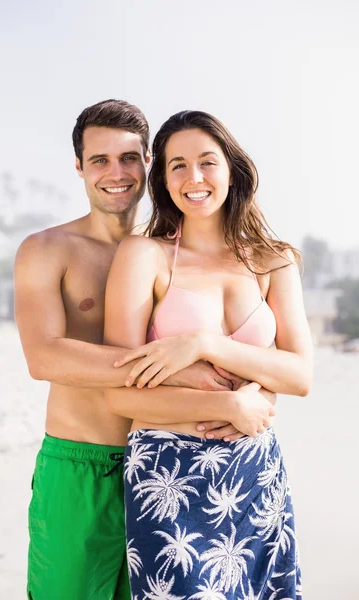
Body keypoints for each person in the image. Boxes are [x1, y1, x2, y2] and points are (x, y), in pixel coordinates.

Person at [15, 99, 259, 600]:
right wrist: (180, 372)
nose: (116, 173)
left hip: (168, 466)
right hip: (81, 464)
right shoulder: (47, 249)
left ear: (150, 163)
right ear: (79, 167)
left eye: (129, 158)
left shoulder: (173, 255)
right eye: (99, 160)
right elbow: (44, 357)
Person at [104, 110, 313, 599]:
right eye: (176, 165)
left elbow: (300, 375)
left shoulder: (272, 259)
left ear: (232, 169)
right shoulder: (144, 256)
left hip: (256, 473)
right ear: (162, 179)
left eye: (206, 162)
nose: (193, 178)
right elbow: (119, 395)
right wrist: (228, 405)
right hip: (167, 480)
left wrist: (203, 344)